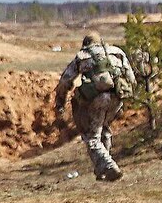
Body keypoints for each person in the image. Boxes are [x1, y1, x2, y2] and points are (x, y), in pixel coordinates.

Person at [54, 33, 137, 181]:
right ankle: (101, 170)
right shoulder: (117, 52)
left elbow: (65, 82)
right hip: (117, 98)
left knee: (91, 136)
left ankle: (109, 165)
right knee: (103, 128)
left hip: (98, 99)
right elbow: (131, 78)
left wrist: (60, 102)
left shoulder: (83, 55)